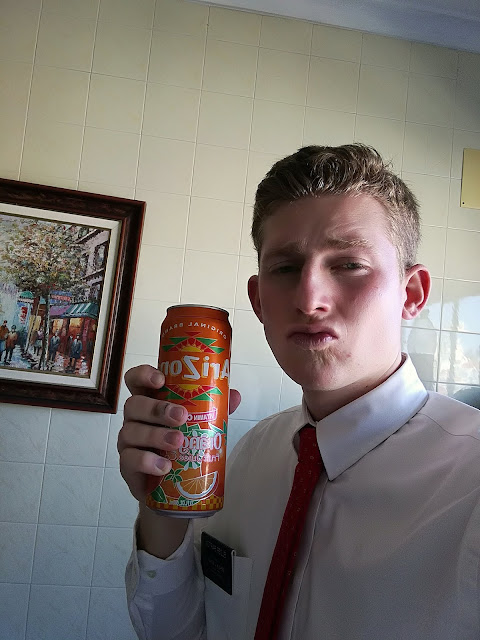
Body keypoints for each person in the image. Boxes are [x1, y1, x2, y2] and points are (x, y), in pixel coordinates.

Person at [118, 144, 480, 640]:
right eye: (286, 268)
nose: (309, 299)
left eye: (349, 264)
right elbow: (178, 634)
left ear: (411, 294)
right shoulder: (245, 459)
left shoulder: (471, 484)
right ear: (258, 300)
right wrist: (160, 512)